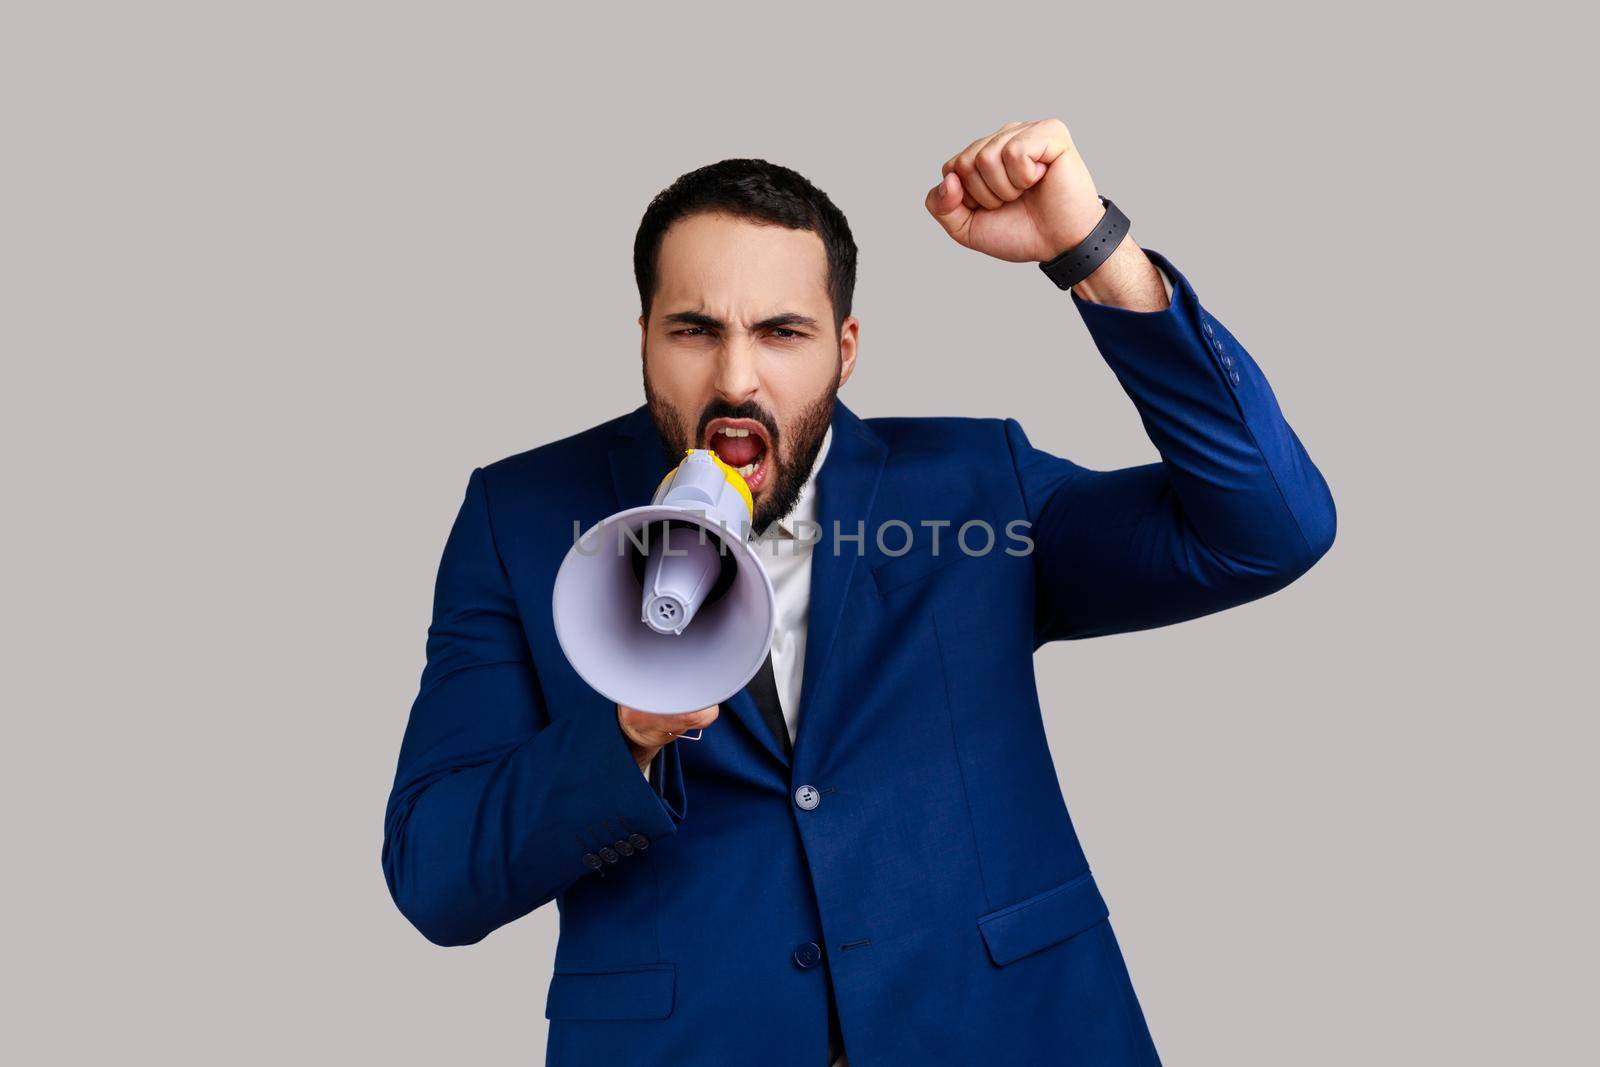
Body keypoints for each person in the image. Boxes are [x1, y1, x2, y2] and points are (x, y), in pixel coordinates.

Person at [381, 118, 1335, 1067]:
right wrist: (623, 734)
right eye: (694, 330)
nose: (736, 378)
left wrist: (1093, 254)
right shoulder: (521, 515)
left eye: (781, 332)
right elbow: (436, 875)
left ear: (845, 347)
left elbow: (1271, 529)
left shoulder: (975, 486)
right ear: (643, 337)